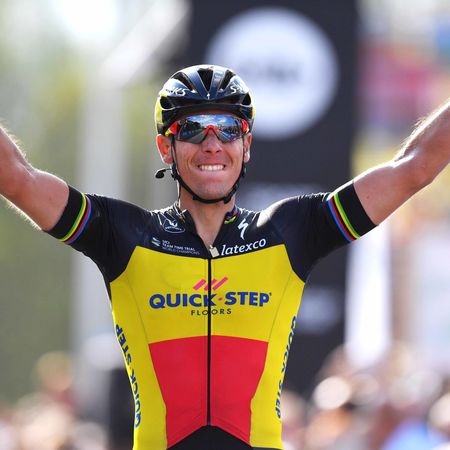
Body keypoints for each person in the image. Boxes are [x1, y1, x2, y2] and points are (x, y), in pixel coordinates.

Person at [0, 63, 449, 450]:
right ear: (166, 147)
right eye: (193, 129)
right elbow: (17, 177)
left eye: (229, 129)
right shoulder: (123, 234)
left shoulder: (290, 230)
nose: (212, 144)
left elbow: (413, 166)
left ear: (246, 145)